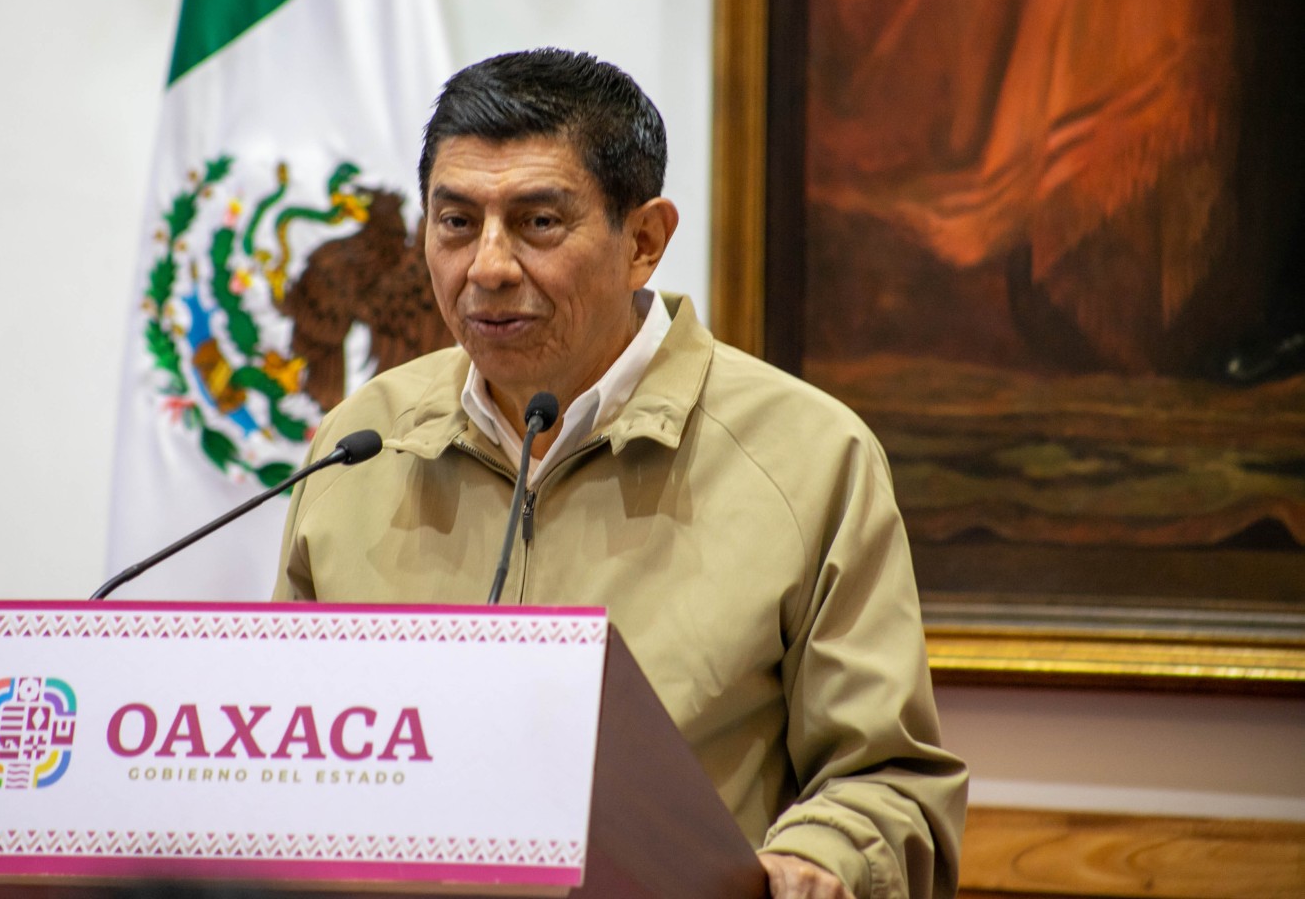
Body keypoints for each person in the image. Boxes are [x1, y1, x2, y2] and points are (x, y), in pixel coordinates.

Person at [274, 48, 967, 899]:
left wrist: (821, 860)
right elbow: (290, 751)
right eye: (455, 222)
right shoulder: (361, 443)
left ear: (643, 241)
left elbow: (888, 781)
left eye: (537, 222)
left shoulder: (807, 455)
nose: (486, 267)